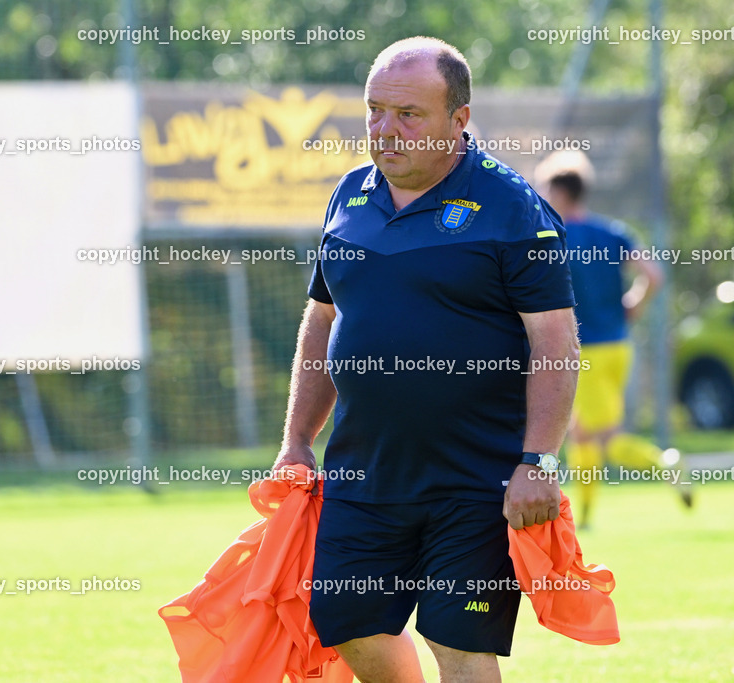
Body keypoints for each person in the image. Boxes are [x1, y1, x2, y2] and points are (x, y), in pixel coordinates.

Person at [273, 37, 580, 682]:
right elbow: (323, 319)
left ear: (458, 119)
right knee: (348, 623)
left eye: (408, 114)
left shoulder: (511, 206)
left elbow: (555, 341)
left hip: (478, 476)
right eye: (375, 110)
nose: (386, 130)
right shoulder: (348, 197)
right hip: (364, 473)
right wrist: (297, 439)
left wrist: (539, 461)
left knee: (459, 641)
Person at [534, 150, 691, 529]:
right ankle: (585, 518)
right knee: (582, 433)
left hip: (584, 351)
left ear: (560, 192)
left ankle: (665, 464)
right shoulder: (612, 232)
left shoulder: (554, 237)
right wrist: (633, 305)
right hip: (618, 346)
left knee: (605, 439)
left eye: (546, 190)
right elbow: (653, 275)